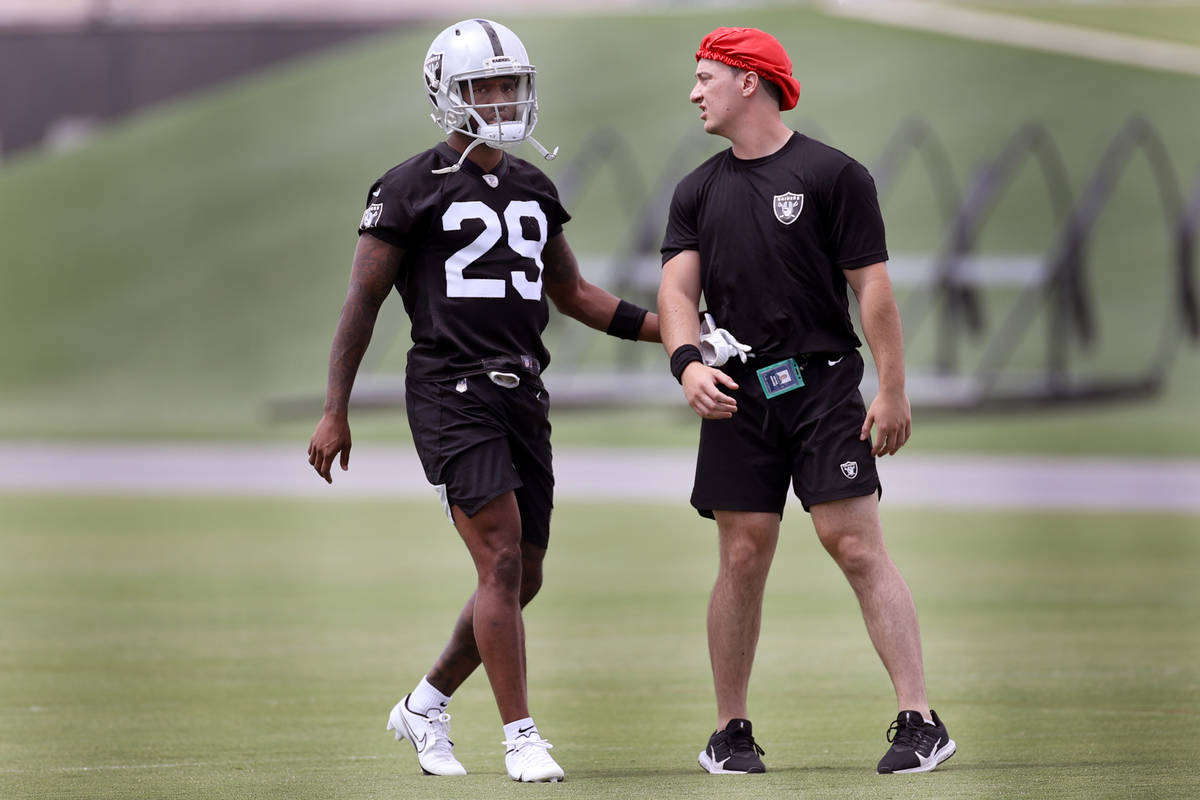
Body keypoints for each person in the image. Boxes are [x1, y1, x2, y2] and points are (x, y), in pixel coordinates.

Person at [307, 18, 659, 783]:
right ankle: (521, 737)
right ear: (445, 94)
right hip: (448, 390)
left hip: (522, 393)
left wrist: (670, 332)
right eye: (483, 87)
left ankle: (425, 703)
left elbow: (573, 294)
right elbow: (362, 302)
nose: (499, 99)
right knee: (499, 558)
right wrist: (336, 407)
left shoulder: (534, 185)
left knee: (523, 574)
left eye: (509, 86)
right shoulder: (406, 185)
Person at [657, 26, 955, 776]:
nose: (694, 92)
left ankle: (920, 720)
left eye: (705, 78)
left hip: (823, 384)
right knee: (743, 554)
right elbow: (675, 291)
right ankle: (731, 731)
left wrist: (891, 388)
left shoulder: (834, 175)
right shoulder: (697, 189)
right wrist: (687, 364)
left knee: (854, 544)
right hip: (738, 392)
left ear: (748, 80)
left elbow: (873, 289)